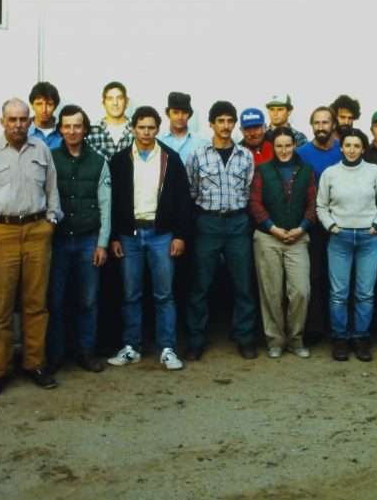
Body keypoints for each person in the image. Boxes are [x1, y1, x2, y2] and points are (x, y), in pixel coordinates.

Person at [0, 98, 62, 398]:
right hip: (1, 233)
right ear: (2, 121)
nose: (18, 125)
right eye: (13, 119)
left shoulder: (41, 150)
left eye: (23, 119)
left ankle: (35, 364)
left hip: (36, 231)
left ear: (30, 121)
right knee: (1, 308)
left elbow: (52, 189)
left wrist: (50, 223)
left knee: (36, 304)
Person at [108, 106, 192, 371]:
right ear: (133, 128)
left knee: (164, 294)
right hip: (129, 236)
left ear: (158, 129)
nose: (146, 132)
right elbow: (111, 201)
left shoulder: (170, 159)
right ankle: (131, 346)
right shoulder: (120, 160)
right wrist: (113, 237)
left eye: (151, 127)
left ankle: (167, 348)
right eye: (141, 127)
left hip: (161, 235)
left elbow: (183, 201)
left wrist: (179, 235)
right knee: (131, 294)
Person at [184, 101, 258, 360]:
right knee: (200, 285)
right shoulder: (197, 154)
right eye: (221, 121)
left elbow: (249, 191)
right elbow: (191, 190)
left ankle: (245, 337)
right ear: (212, 124)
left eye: (230, 121)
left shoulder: (245, 156)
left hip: (238, 223)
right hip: (208, 223)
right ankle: (196, 339)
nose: (226, 126)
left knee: (243, 284)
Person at [317, 128, 377, 361]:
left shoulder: (374, 171)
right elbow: (321, 206)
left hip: (368, 239)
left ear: (363, 148)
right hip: (339, 238)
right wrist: (331, 225)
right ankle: (340, 338)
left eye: (356, 146)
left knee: (365, 293)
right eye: (347, 145)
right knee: (339, 294)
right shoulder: (330, 173)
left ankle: (361, 337)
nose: (351, 150)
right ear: (341, 148)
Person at [46, 105, 110, 374]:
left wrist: (102, 243)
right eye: (67, 126)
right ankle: (55, 354)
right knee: (55, 301)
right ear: (60, 128)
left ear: (85, 129)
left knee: (88, 300)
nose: (72, 131)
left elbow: (106, 204)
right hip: (58, 241)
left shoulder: (98, 161)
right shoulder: (48, 158)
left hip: (87, 240)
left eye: (77, 126)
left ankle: (86, 351)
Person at [249, 127, 317, 358]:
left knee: (301, 291)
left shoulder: (306, 171)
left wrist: (302, 228)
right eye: (279, 146)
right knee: (271, 292)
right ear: (273, 147)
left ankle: (295, 339)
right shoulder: (262, 170)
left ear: (294, 146)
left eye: (288, 145)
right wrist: (273, 228)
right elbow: (255, 203)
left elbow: (313, 204)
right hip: (268, 238)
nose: (284, 150)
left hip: (298, 238)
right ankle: (275, 340)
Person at [296, 106, 343, 344]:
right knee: (313, 275)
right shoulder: (302, 153)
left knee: (338, 278)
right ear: (311, 125)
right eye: (317, 122)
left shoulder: (344, 149)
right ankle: (314, 328)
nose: (321, 127)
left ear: (333, 125)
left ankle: (339, 328)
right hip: (313, 224)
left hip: (340, 223)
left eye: (326, 122)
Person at [86, 81, 133, 160]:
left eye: (120, 98)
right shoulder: (91, 132)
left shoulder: (137, 130)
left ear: (127, 102)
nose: (115, 103)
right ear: (103, 103)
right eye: (110, 99)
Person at [158, 91, 207, 164]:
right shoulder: (158, 141)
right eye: (175, 112)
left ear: (189, 115)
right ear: (168, 114)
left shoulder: (202, 143)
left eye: (184, 112)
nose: (180, 117)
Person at [28, 81, 63, 149]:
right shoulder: (23, 132)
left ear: (55, 106)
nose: (44, 110)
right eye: (39, 104)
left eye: (49, 104)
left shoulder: (64, 133)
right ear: (32, 105)